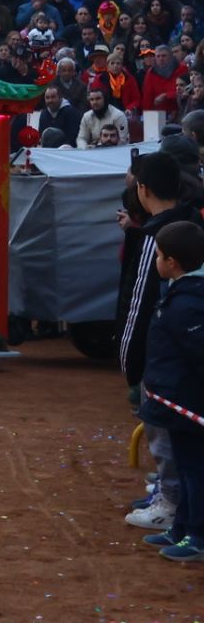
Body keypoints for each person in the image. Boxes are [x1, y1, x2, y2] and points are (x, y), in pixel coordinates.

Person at [120, 151, 199, 534]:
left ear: (143, 188)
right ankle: (170, 496)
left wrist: (129, 362)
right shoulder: (188, 222)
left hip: (162, 359)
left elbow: (139, 304)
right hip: (182, 358)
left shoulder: (157, 237)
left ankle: (170, 502)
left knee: (164, 434)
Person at [136, 219, 204, 561]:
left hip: (189, 403)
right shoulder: (181, 296)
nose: (156, 261)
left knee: (195, 469)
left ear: (172, 262)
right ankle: (181, 528)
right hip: (177, 401)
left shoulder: (189, 303)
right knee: (186, 464)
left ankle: (197, 536)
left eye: (159, 255)